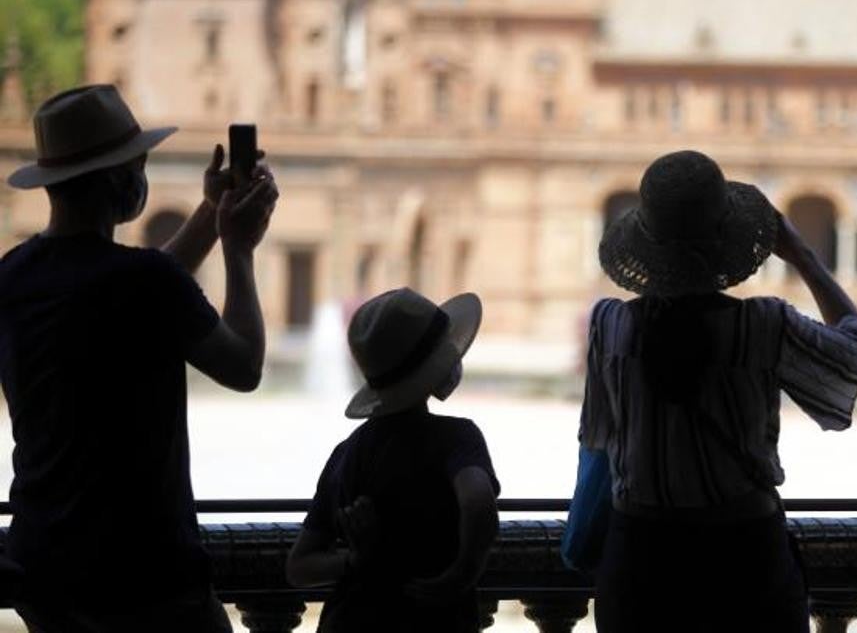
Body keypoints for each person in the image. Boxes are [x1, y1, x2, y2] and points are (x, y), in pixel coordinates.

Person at [0, 84, 279, 630]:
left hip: (46, 565)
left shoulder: (13, 275)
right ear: (116, 180)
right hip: (146, 572)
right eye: (138, 164)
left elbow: (133, 295)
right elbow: (243, 366)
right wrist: (239, 250)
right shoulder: (142, 283)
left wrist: (209, 213)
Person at [582, 150, 857, 632]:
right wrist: (801, 254)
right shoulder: (763, 325)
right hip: (742, 556)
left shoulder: (609, 325)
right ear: (730, 239)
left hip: (638, 559)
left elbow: (595, 438)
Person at [286, 288, 500, 633]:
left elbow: (299, 566)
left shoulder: (347, 453)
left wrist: (356, 561)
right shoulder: (457, 438)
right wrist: (462, 572)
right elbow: (477, 500)